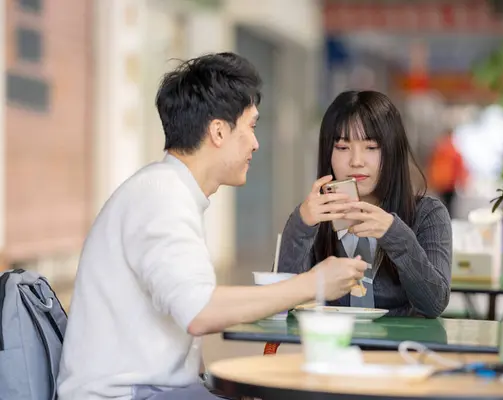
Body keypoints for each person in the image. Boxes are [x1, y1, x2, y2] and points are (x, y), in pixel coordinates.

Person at [56, 53, 367, 400]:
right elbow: (200, 311)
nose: (256, 142)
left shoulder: (167, 190)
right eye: (251, 126)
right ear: (218, 131)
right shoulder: (161, 198)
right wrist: (315, 283)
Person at [277, 90, 452, 318]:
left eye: (371, 147)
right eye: (342, 147)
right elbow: (281, 302)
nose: (356, 161)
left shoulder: (428, 214)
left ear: (392, 152)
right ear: (327, 154)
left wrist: (393, 233)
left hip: (400, 351)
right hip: (332, 348)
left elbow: (434, 303)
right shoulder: (314, 215)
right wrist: (301, 225)